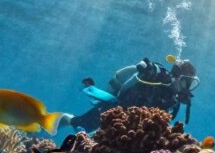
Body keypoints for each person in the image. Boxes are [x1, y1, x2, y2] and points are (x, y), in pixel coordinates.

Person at [68, 56, 199, 132]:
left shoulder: (173, 100)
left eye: (191, 84)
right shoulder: (156, 74)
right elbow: (131, 81)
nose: (187, 89)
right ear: (176, 77)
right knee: (79, 124)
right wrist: (146, 67)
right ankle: (57, 119)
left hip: (130, 126)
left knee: (86, 131)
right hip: (116, 108)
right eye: (186, 82)